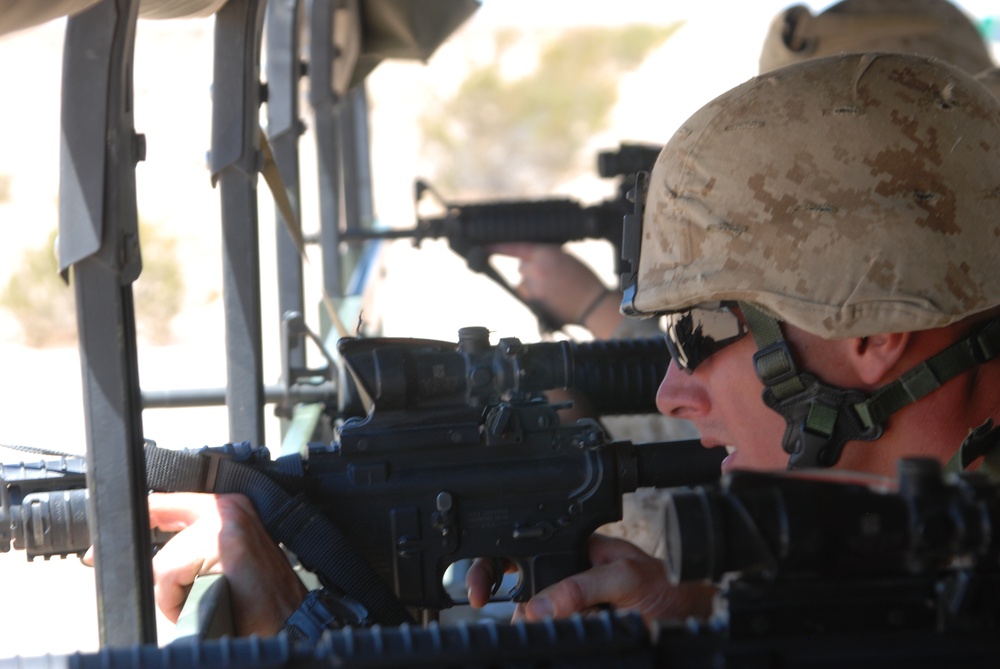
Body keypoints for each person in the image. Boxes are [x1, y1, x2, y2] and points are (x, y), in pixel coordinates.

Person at [466, 50, 1000, 624]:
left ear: (872, 330)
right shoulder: (943, 548)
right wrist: (695, 615)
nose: (669, 394)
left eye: (695, 332)